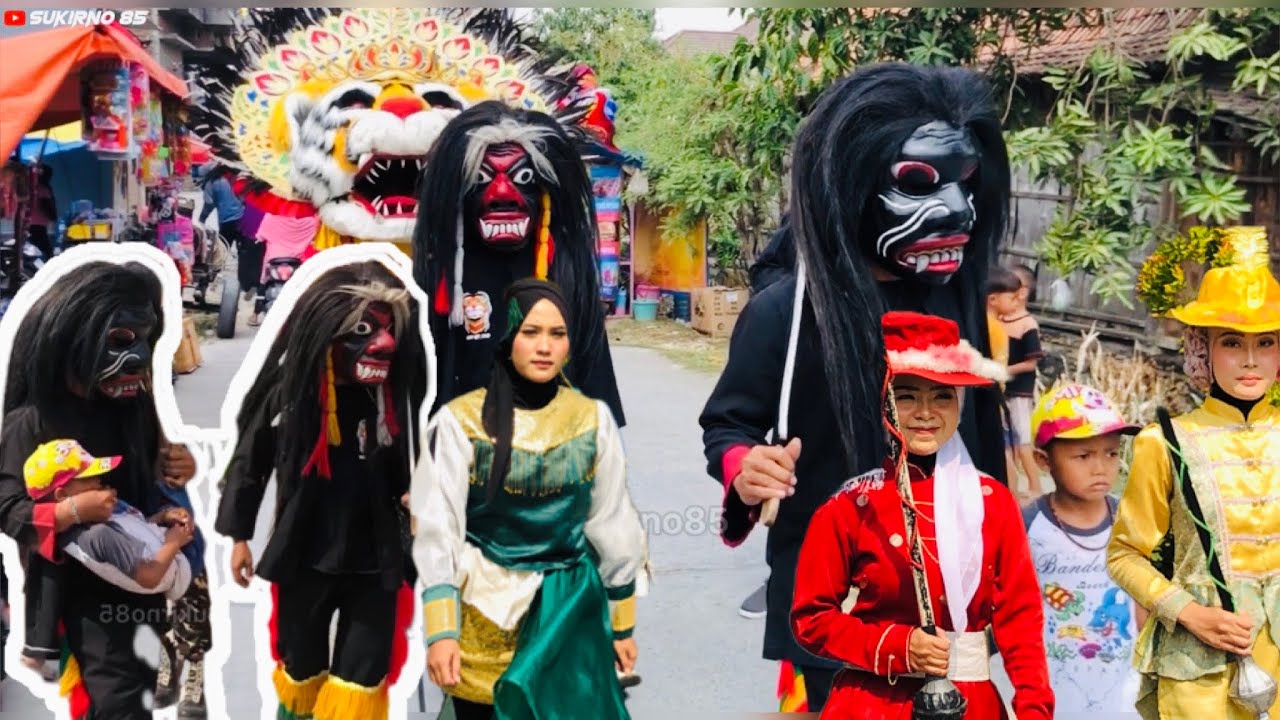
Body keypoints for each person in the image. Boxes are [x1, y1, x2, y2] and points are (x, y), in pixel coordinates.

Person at [699, 62, 1011, 712]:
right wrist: (746, 468)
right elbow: (728, 424)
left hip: (952, 607)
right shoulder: (786, 314)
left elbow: (981, 442)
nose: (957, 208)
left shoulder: (960, 305)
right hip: (840, 612)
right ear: (853, 184)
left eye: (966, 183)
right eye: (919, 183)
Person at [790, 311, 1053, 720]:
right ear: (883, 401)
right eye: (907, 396)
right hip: (871, 705)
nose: (925, 412)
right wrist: (898, 646)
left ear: (960, 404)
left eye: (942, 396)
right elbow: (812, 619)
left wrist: (1035, 710)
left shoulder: (993, 502)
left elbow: (1020, 620)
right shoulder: (850, 506)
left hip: (970, 704)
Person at [413, 278, 649, 720]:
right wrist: (441, 632)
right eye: (531, 332)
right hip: (484, 616)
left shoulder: (591, 419)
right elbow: (438, 528)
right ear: (509, 338)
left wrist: (621, 626)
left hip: (568, 614)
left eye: (557, 334)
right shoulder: (460, 422)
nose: (544, 347)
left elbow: (613, 524)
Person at [217, 259, 426, 720]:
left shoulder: (393, 400)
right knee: (301, 669)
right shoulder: (290, 396)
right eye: (364, 331)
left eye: (388, 330)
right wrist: (239, 538)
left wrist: (419, 503)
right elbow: (250, 464)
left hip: (376, 560)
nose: (383, 344)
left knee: (362, 677)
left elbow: (409, 470)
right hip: (305, 554)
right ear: (327, 336)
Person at [0, 258, 197, 720]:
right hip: (81, 589)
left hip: (142, 577)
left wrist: (174, 476)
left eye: (146, 339)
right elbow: (7, 506)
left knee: (134, 694)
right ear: (72, 337)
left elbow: (142, 490)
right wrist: (71, 512)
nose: (141, 356)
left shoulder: (132, 409)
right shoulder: (32, 421)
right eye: (122, 340)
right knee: (119, 699)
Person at [1108, 226, 1280, 720]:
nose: (1250, 360)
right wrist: (1189, 612)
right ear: (1202, 347)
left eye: (1266, 342)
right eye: (1232, 342)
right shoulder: (1164, 443)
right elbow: (1124, 555)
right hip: (1198, 673)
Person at [412, 101, 625, 427]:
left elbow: (594, 378)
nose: (502, 193)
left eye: (522, 177)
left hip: (548, 445)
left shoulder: (567, 270)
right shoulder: (439, 269)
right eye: (482, 178)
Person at [1022, 384, 1143, 716]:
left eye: (1111, 453)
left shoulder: (1131, 521)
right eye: (1083, 456)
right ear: (1043, 460)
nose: (1100, 467)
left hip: (1124, 695)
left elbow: (1143, 604)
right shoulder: (1028, 526)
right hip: (1055, 694)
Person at [24, 439, 194, 597]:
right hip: (179, 567)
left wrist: (162, 517)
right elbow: (150, 577)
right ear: (62, 495)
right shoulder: (98, 535)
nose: (98, 480)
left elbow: (137, 534)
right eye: (88, 477)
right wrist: (173, 542)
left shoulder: (92, 521)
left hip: (168, 549)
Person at [995, 266, 1043, 499]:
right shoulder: (999, 320)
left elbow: (1031, 363)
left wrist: (1003, 371)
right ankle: (1011, 486)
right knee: (1007, 441)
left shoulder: (1027, 324)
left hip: (1020, 392)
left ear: (1021, 293)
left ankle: (1035, 487)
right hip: (1001, 388)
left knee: (1022, 441)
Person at [198, 164, 258, 297]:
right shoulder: (241, 179)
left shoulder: (213, 182)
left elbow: (209, 204)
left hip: (226, 222)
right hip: (244, 221)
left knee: (220, 252)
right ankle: (245, 286)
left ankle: (207, 281)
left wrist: (201, 219)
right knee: (244, 253)